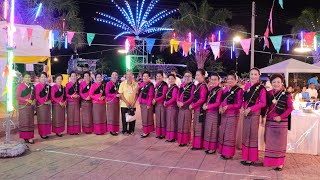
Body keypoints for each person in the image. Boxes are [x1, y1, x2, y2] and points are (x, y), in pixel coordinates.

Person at [263, 73, 293, 171]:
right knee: (270, 143)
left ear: (282, 83)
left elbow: (290, 108)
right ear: (271, 83)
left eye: (278, 82)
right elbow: (266, 107)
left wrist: (281, 116)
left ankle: (279, 163)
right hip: (270, 122)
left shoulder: (286, 95)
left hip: (281, 123)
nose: (276, 84)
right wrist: (263, 117)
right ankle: (270, 162)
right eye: (274, 82)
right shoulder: (269, 93)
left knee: (280, 144)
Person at [241, 68, 266, 166]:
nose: (253, 76)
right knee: (246, 134)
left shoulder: (261, 88)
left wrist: (250, 109)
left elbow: (263, 103)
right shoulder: (247, 85)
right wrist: (243, 108)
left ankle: (251, 158)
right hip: (246, 114)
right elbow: (244, 99)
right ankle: (245, 156)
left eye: (255, 74)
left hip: (254, 114)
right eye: (251, 74)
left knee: (252, 136)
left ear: (259, 76)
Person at [219, 71, 243, 160]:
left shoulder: (239, 90)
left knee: (230, 134)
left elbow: (239, 104)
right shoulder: (225, 89)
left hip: (233, 115)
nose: (230, 80)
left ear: (236, 80)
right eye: (228, 79)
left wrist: (228, 107)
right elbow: (222, 101)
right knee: (224, 133)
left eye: (232, 79)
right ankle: (223, 151)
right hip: (224, 115)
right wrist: (221, 106)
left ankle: (229, 153)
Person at [202, 73, 223, 154]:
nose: (213, 81)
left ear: (218, 81)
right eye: (212, 79)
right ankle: (208, 146)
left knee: (213, 130)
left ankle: (213, 148)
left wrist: (208, 107)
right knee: (208, 129)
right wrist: (205, 104)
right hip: (208, 112)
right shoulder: (210, 88)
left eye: (215, 80)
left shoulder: (219, 90)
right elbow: (208, 99)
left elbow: (218, 103)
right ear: (209, 80)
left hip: (214, 112)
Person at [189, 69, 208, 150]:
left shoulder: (203, 86)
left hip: (200, 110)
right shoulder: (198, 85)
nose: (196, 76)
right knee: (196, 126)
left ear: (203, 76)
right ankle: (196, 144)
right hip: (196, 109)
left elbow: (202, 99)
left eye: (198, 75)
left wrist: (193, 105)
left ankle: (198, 145)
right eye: (196, 75)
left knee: (198, 127)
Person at [177, 70, 195, 146]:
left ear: (191, 78)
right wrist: (178, 102)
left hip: (187, 108)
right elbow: (178, 95)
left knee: (186, 124)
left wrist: (184, 103)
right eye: (185, 76)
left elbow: (192, 97)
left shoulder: (193, 86)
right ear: (183, 77)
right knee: (180, 123)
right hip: (180, 107)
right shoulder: (181, 85)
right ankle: (180, 140)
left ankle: (185, 140)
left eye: (189, 76)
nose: (187, 78)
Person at [16, 73, 35, 144]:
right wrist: (26, 100)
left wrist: (33, 101)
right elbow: (17, 97)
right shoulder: (20, 86)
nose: (28, 79)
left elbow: (34, 96)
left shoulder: (32, 86)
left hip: (30, 107)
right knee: (24, 122)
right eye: (26, 77)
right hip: (23, 107)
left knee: (30, 122)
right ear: (23, 78)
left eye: (29, 77)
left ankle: (30, 137)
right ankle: (25, 137)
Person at [119, 71, 139, 135]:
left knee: (132, 118)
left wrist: (134, 102)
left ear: (132, 75)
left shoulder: (136, 84)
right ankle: (124, 131)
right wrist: (126, 102)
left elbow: (137, 94)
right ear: (125, 75)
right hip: (124, 104)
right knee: (124, 118)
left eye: (130, 74)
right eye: (127, 74)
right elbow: (121, 94)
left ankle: (131, 130)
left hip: (133, 104)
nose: (129, 76)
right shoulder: (122, 84)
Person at [138, 71, 155, 138]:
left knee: (146, 118)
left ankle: (146, 132)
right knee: (144, 118)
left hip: (147, 104)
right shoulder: (141, 84)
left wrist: (148, 104)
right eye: (144, 76)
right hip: (142, 103)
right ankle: (146, 130)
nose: (145, 77)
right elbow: (139, 93)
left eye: (146, 76)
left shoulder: (150, 85)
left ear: (149, 77)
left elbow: (151, 95)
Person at [35, 72, 52, 139]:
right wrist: (43, 102)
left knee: (47, 119)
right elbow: (37, 96)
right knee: (42, 119)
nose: (43, 78)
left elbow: (50, 96)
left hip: (47, 105)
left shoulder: (48, 86)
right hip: (41, 105)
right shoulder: (37, 86)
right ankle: (42, 133)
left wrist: (50, 101)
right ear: (39, 78)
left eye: (45, 77)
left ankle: (47, 132)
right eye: (42, 77)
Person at [153, 71, 168, 139]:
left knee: (162, 119)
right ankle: (158, 133)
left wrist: (155, 100)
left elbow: (163, 95)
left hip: (162, 104)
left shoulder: (164, 85)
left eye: (160, 76)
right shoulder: (156, 85)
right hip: (157, 105)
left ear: (162, 77)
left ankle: (163, 134)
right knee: (158, 119)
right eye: (157, 76)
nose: (158, 77)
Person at [164, 74, 179, 142]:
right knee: (169, 121)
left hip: (172, 107)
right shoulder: (170, 87)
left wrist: (166, 103)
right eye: (169, 79)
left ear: (175, 79)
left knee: (171, 122)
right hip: (169, 107)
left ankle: (172, 137)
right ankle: (170, 136)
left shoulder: (175, 88)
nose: (170, 80)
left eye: (172, 79)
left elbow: (174, 98)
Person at [105, 71, 121, 136]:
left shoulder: (118, 83)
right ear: (111, 76)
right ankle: (111, 130)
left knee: (116, 116)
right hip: (111, 102)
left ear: (117, 76)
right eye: (113, 75)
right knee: (111, 116)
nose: (114, 76)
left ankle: (116, 129)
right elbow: (107, 93)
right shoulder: (108, 83)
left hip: (117, 102)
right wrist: (115, 95)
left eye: (116, 75)